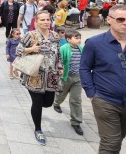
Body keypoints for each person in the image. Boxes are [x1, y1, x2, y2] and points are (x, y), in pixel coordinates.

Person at [80, 5, 126, 153]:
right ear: (109, 19)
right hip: (105, 100)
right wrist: (92, 94)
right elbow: (84, 68)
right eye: (121, 19)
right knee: (111, 143)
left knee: (117, 139)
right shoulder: (94, 43)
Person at [16, 10, 63, 146]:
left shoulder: (55, 35)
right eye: (42, 20)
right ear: (36, 22)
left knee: (48, 103)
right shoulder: (30, 35)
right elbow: (18, 51)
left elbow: (58, 53)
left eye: (48, 19)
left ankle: (38, 108)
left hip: (51, 75)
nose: (46, 22)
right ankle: (38, 129)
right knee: (37, 103)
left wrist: (60, 68)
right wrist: (31, 49)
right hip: (35, 75)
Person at [52, 29, 84, 136]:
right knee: (62, 94)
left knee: (76, 100)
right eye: (76, 38)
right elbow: (57, 60)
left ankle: (76, 121)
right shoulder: (63, 48)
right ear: (68, 39)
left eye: (79, 38)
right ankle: (56, 103)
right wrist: (59, 71)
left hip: (78, 78)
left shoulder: (81, 49)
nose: (79, 40)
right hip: (65, 77)